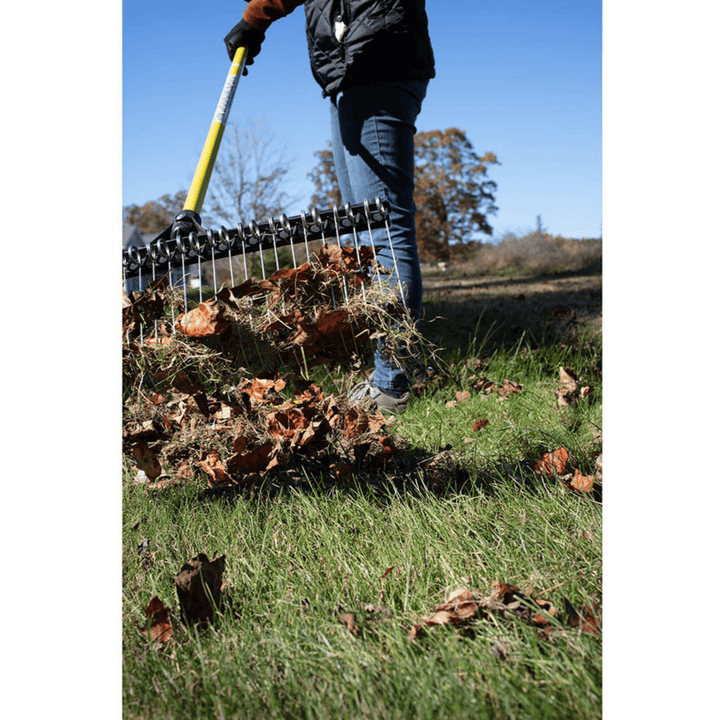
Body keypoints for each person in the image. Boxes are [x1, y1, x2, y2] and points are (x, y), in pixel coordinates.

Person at [224, 0, 435, 413]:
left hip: (375, 56)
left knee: (383, 230)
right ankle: (387, 379)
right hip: (354, 66)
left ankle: (393, 386)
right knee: (364, 233)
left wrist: (256, 18)